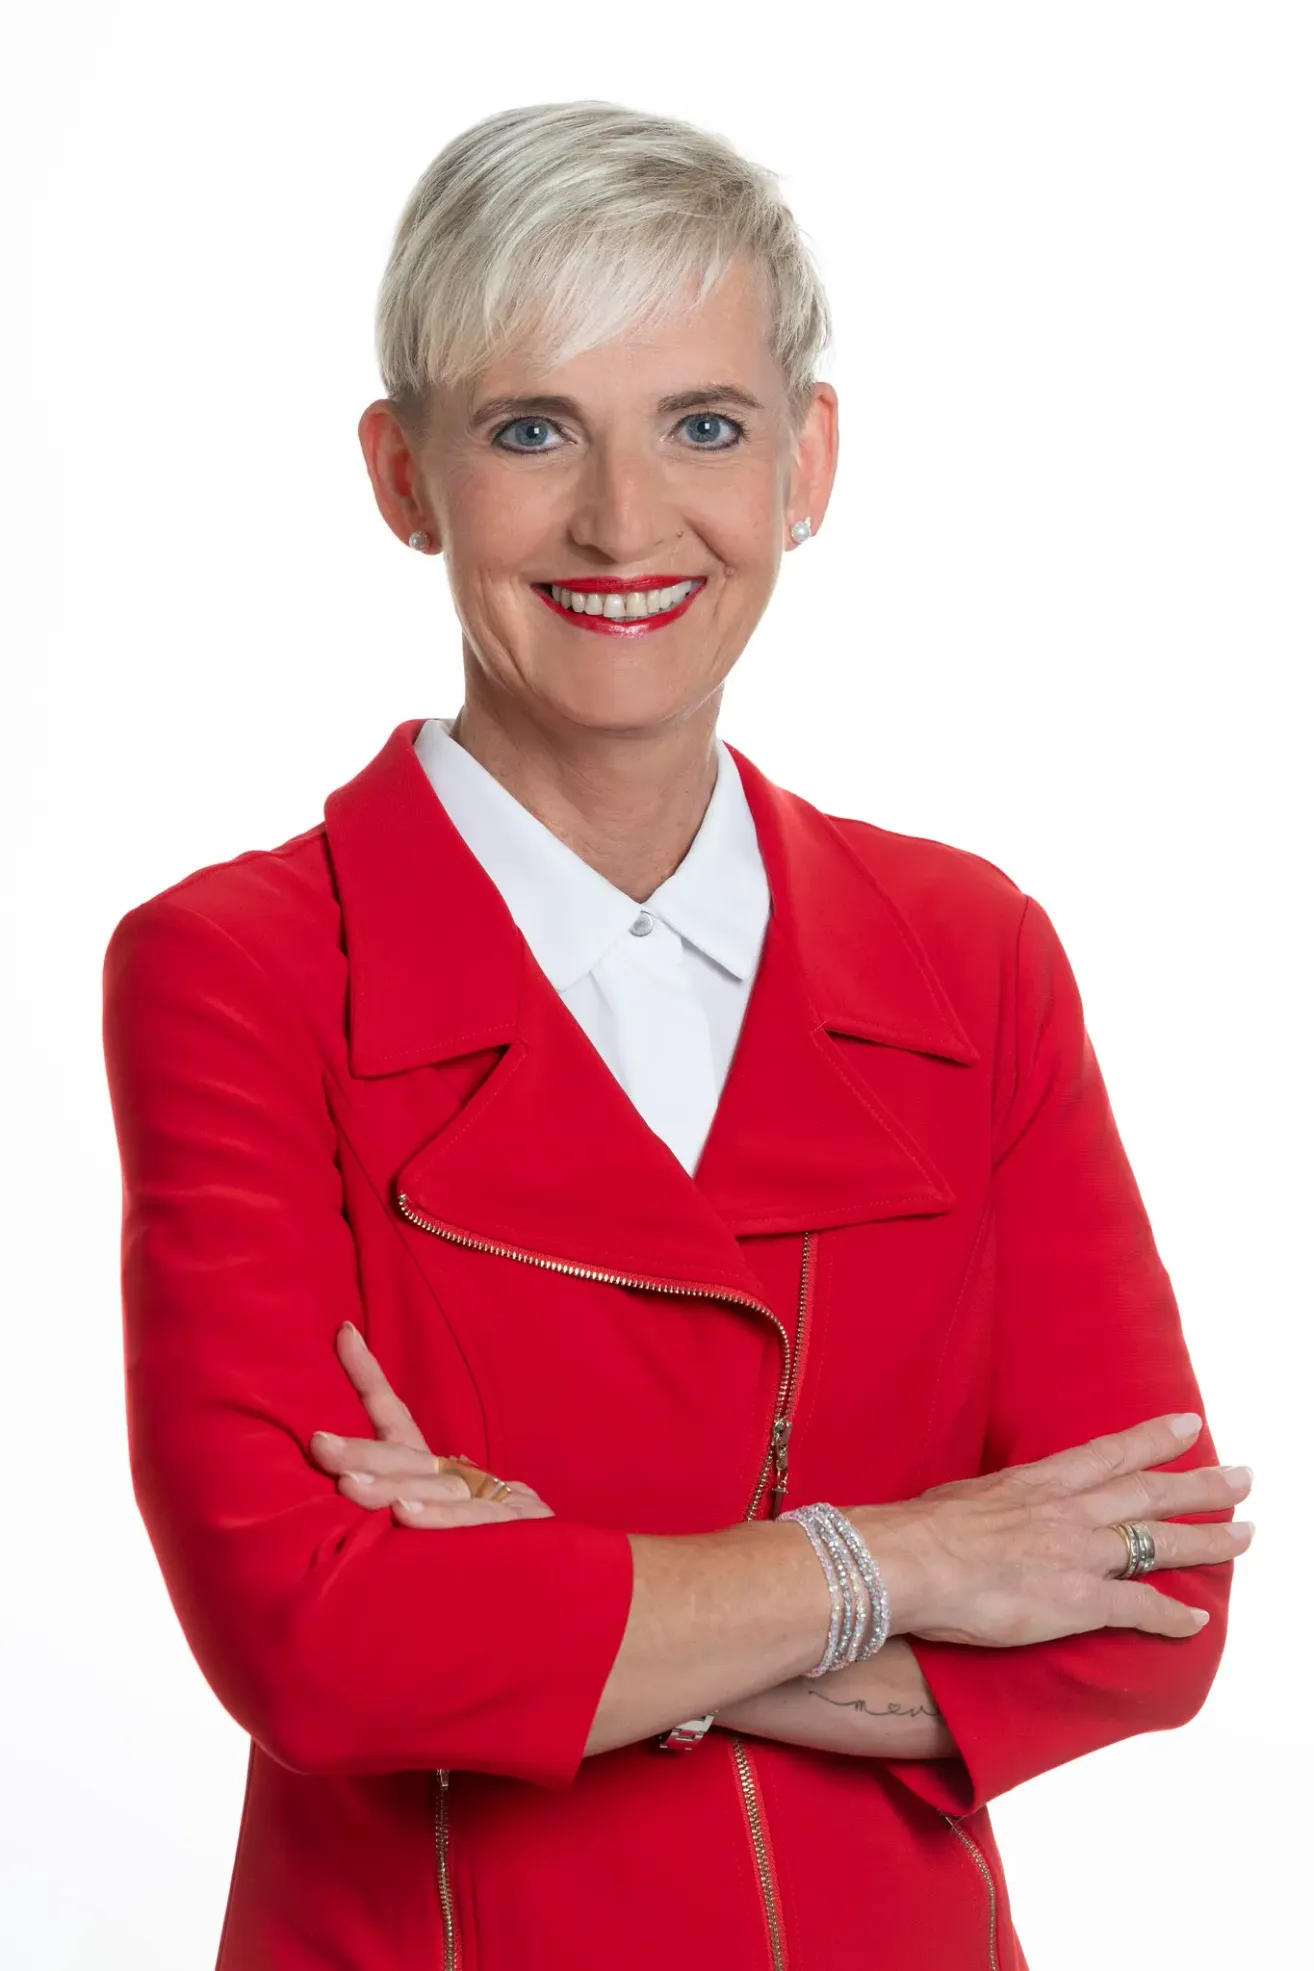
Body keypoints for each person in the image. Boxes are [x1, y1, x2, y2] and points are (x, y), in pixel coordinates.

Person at [101, 100, 1252, 1971]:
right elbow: (312, 1642)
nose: (625, 524)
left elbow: (1153, 1609)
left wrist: (542, 1585)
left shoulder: (971, 954)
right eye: (530, 429)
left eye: (702, 427)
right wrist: (911, 1565)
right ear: (404, 477)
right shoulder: (235, 965)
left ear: (807, 456)